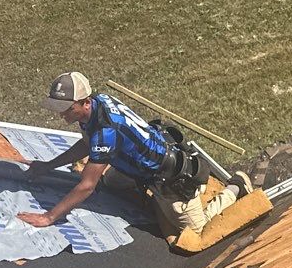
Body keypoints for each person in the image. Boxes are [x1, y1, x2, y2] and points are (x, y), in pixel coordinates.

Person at [16, 71, 249, 238]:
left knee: (196, 231)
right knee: (110, 182)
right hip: (138, 165)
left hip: (168, 178)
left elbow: (87, 186)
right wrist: (47, 166)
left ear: (85, 102)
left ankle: (236, 188)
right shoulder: (98, 104)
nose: (61, 115)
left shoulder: (107, 130)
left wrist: (49, 217)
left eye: (67, 109)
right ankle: (147, 192)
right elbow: (86, 145)